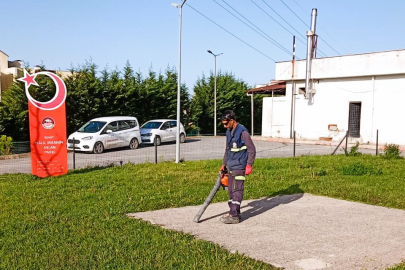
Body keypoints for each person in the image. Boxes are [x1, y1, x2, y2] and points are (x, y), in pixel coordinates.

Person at [219, 110, 256, 224]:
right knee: (231, 190)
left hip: (240, 166)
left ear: (232, 121)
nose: (225, 126)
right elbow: (227, 149)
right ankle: (234, 212)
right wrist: (224, 164)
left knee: (237, 189)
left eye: (226, 123)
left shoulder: (243, 132)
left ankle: (234, 216)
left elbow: (252, 149)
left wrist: (249, 164)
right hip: (230, 165)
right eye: (223, 124)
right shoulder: (228, 132)